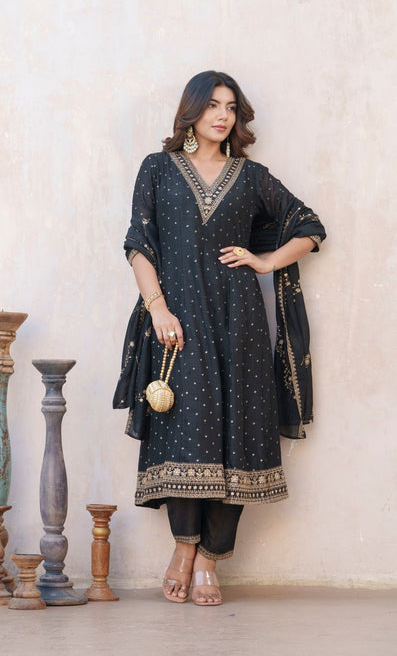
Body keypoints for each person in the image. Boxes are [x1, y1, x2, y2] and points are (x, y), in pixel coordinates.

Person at [113, 70, 326, 606]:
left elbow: (309, 225)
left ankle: (211, 559)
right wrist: (158, 309)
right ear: (192, 111)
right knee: (185, 430)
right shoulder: (157, 169)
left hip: (239, 323)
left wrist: (266, 261)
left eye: (231, 107)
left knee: (239, 434)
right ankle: (183, 548)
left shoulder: (251, 178)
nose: (222, 115)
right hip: (178, 322)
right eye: (212, 105)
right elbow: (139, 244)